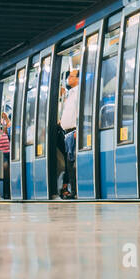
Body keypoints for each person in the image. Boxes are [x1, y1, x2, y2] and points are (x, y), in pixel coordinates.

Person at [55, 69, 79, 198]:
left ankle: (74, 191)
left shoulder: (78, 92)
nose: (68, 78)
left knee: (72, 163)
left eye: (71, 76)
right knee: (69, 163)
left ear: (78, 79)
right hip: (67, 132)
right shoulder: (70, 93)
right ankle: (72, 190)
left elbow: (79, 111)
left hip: (74, 131)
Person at [0, 110, 12, 198]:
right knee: (6, 172)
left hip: (8, 151)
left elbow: (8, 128)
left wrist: (6, 119)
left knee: (9, 173)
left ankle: (8, 192)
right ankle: (6, 192)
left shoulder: (4, 125)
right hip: (2, 153)